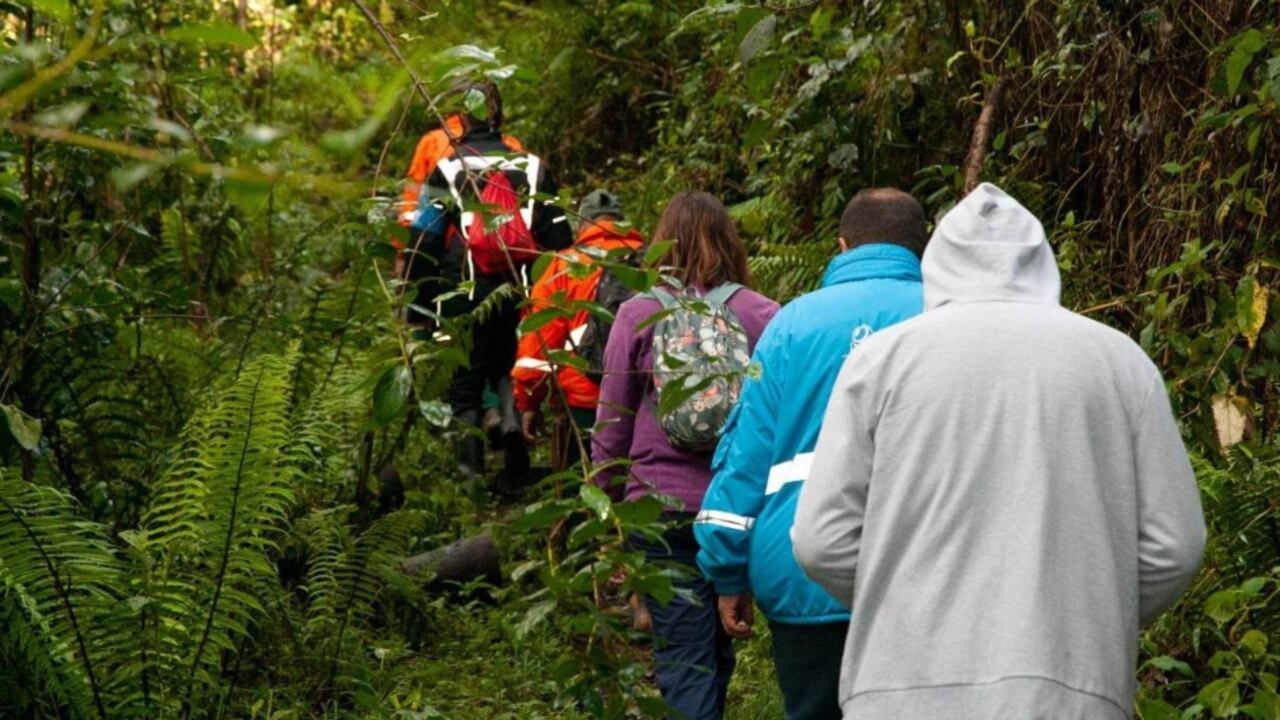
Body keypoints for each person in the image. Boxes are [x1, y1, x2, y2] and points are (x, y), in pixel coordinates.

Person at [793, 183, 1206, 719]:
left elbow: (821, 540)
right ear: (1043, 262)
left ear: (937, 262)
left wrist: (898, 603)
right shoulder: (1119, 361)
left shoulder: (880, 361)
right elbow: (1175, 546)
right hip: (1068, 692)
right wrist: (1092, 618)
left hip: (899, 687)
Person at [694, 188, 928, 720]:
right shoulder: (946, 317)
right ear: (924, 246)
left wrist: (728, 569)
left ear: (841, 246)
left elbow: (746, 456)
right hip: (924, 570)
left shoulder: (791, 325)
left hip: (803, 570)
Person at [592, 191, 779, 720]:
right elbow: (776, 416)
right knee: (716, 647)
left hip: (659, 508)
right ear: (729, 242)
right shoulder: (761, 314)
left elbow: (612, 421)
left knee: (683, 655)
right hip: (735, 507)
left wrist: (606, 507)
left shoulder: (638, 313)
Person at [399, 80, 572, 489]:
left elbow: (423, 242)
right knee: (511, 364)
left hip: (463, 291)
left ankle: (471, 479)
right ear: (498, 114)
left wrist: (417, 305)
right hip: (522, 289)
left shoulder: (448, 169)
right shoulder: (533, 167)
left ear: (461, 118)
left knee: (466, 381)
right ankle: (514, 446)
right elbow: (562, 242)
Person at [511, 189, 644, 470]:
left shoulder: (563, 265)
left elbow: (539, 346)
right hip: (641, 397)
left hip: (583, 400)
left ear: (582, 225)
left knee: (585, 478)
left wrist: (529, 403)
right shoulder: (649, 261)